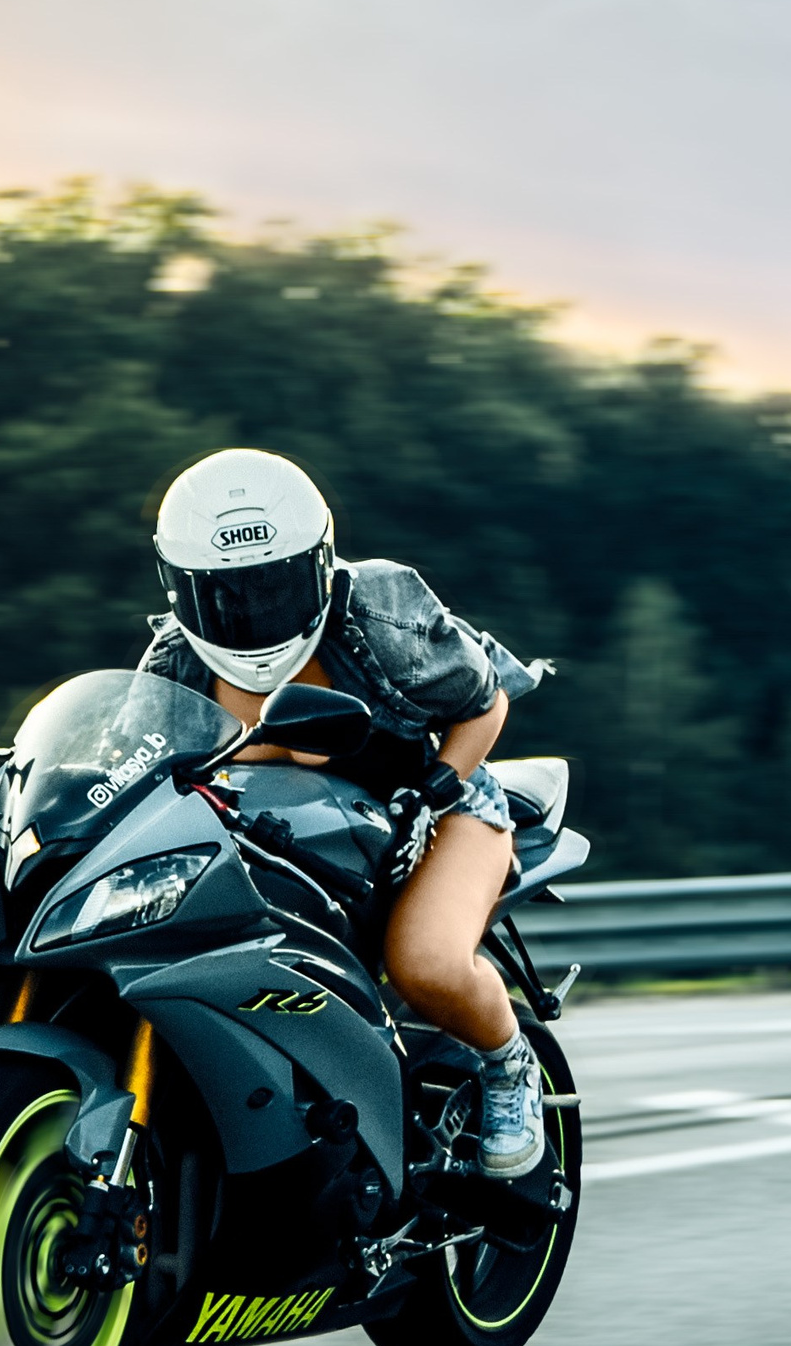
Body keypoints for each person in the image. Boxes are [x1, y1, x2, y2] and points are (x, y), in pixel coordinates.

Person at [141, 447, 551, 1178]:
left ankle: (508, 1065)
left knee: (425, 964)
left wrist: (434, 789)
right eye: (224, 594)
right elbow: (133, 765)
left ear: (320, 564)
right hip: (290, 840)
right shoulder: (173, 662)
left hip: (437, 810)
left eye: (275, 586)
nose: (253, 610)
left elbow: (485, 704)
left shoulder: (382, 612)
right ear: (178, 585)